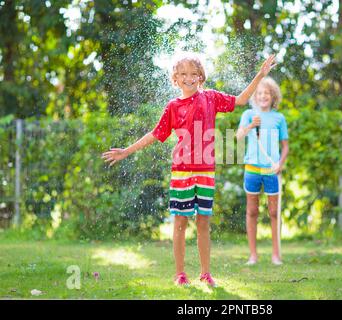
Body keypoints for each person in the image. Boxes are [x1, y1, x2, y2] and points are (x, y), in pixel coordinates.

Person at [102, 53, 276, 287]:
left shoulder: (211, 98)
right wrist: (126, 151)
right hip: (181, 173)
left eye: (194, 74)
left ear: (201, 77)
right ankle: (180, 274)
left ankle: (206, 273)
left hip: (205, 172)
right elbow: (156, 134)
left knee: (203, 222)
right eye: (183, 74)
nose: (189, 78)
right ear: (175, 78)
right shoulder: (173, 106)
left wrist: (260, 74)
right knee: (180, 222)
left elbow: (241, 100)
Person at [236, 76, 289, 266]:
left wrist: (280, 164)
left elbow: (285, 147)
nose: (263, 96)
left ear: (272, 96)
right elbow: (239, 136)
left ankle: (276, 255)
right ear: (254, 97)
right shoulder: (249, 114)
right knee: (252, 211)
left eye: (266, 93)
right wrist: (251, 125)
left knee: (274, 212)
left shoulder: (279, 118)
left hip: (271, 172)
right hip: (252, 169)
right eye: (259, 93)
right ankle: (253, 255)